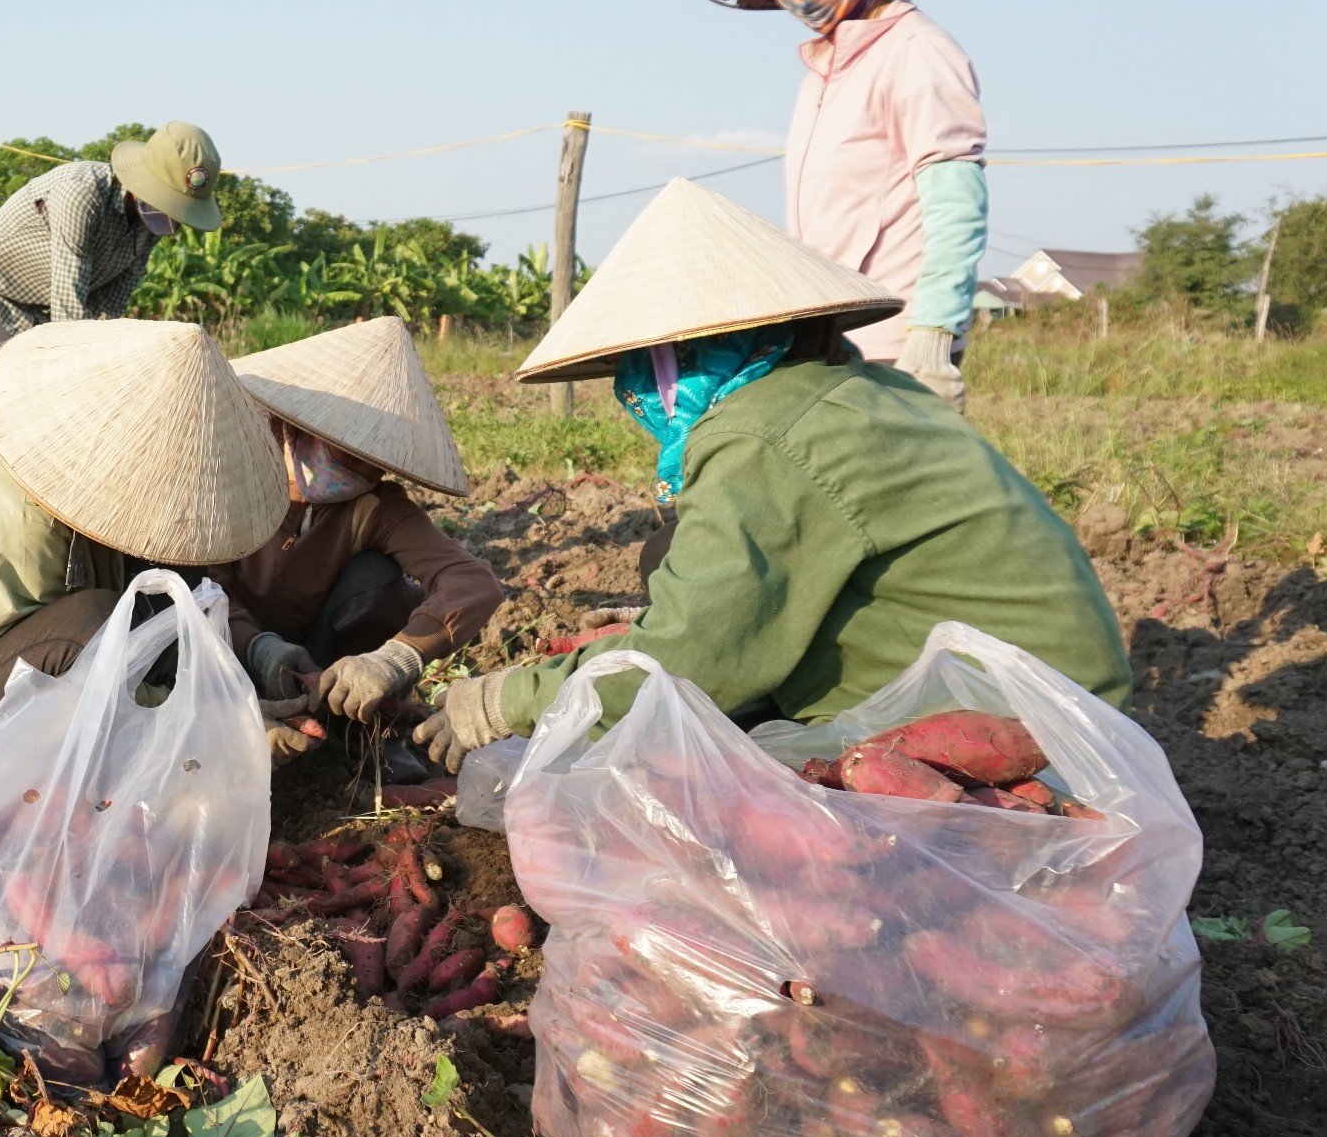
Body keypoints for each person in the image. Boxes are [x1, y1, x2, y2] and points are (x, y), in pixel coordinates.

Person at [413, 180, 1131, 770]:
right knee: (670, 559)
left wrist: (502, 701)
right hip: (1070, 712)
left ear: (692, 355)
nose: (640, 387)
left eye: (651, 365)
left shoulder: (763, 436)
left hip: (1019, 741)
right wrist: (653, 623)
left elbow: (689, 667)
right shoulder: (861, 394)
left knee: (674, 781)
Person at [0, 318, 288, 817]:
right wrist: (215, 731)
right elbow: (52, 684)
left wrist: (254, 664)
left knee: (166, 592)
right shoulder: (11, 513)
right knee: (84, 626)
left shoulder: (94, 500)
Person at [706, 0, 991, 411]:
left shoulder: (915, 51)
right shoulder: (827, 68)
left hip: (897, 337)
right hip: (838, 331)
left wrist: (932, 336)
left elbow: (957, 201)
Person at [214, 317, 502, 771]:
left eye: (378, 462)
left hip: (330, 673)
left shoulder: (377, 506)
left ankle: (363, 731)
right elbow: (200, 587)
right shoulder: (232, 477)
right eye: (353, 453)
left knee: (379, 580)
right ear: (300, 429)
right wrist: (258, 648)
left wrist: (397, 657)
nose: (369, 472)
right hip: (226, 656)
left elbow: (472, 582)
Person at [0, 122, 223, 392]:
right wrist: (82, 371)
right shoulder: (81, 195)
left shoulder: (151, 225)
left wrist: (108, 358)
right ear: (142, 181)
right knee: (0, 396)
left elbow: (109, 306)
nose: (171, 219)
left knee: (45, 399)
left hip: (39, 309)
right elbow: (68, 305)